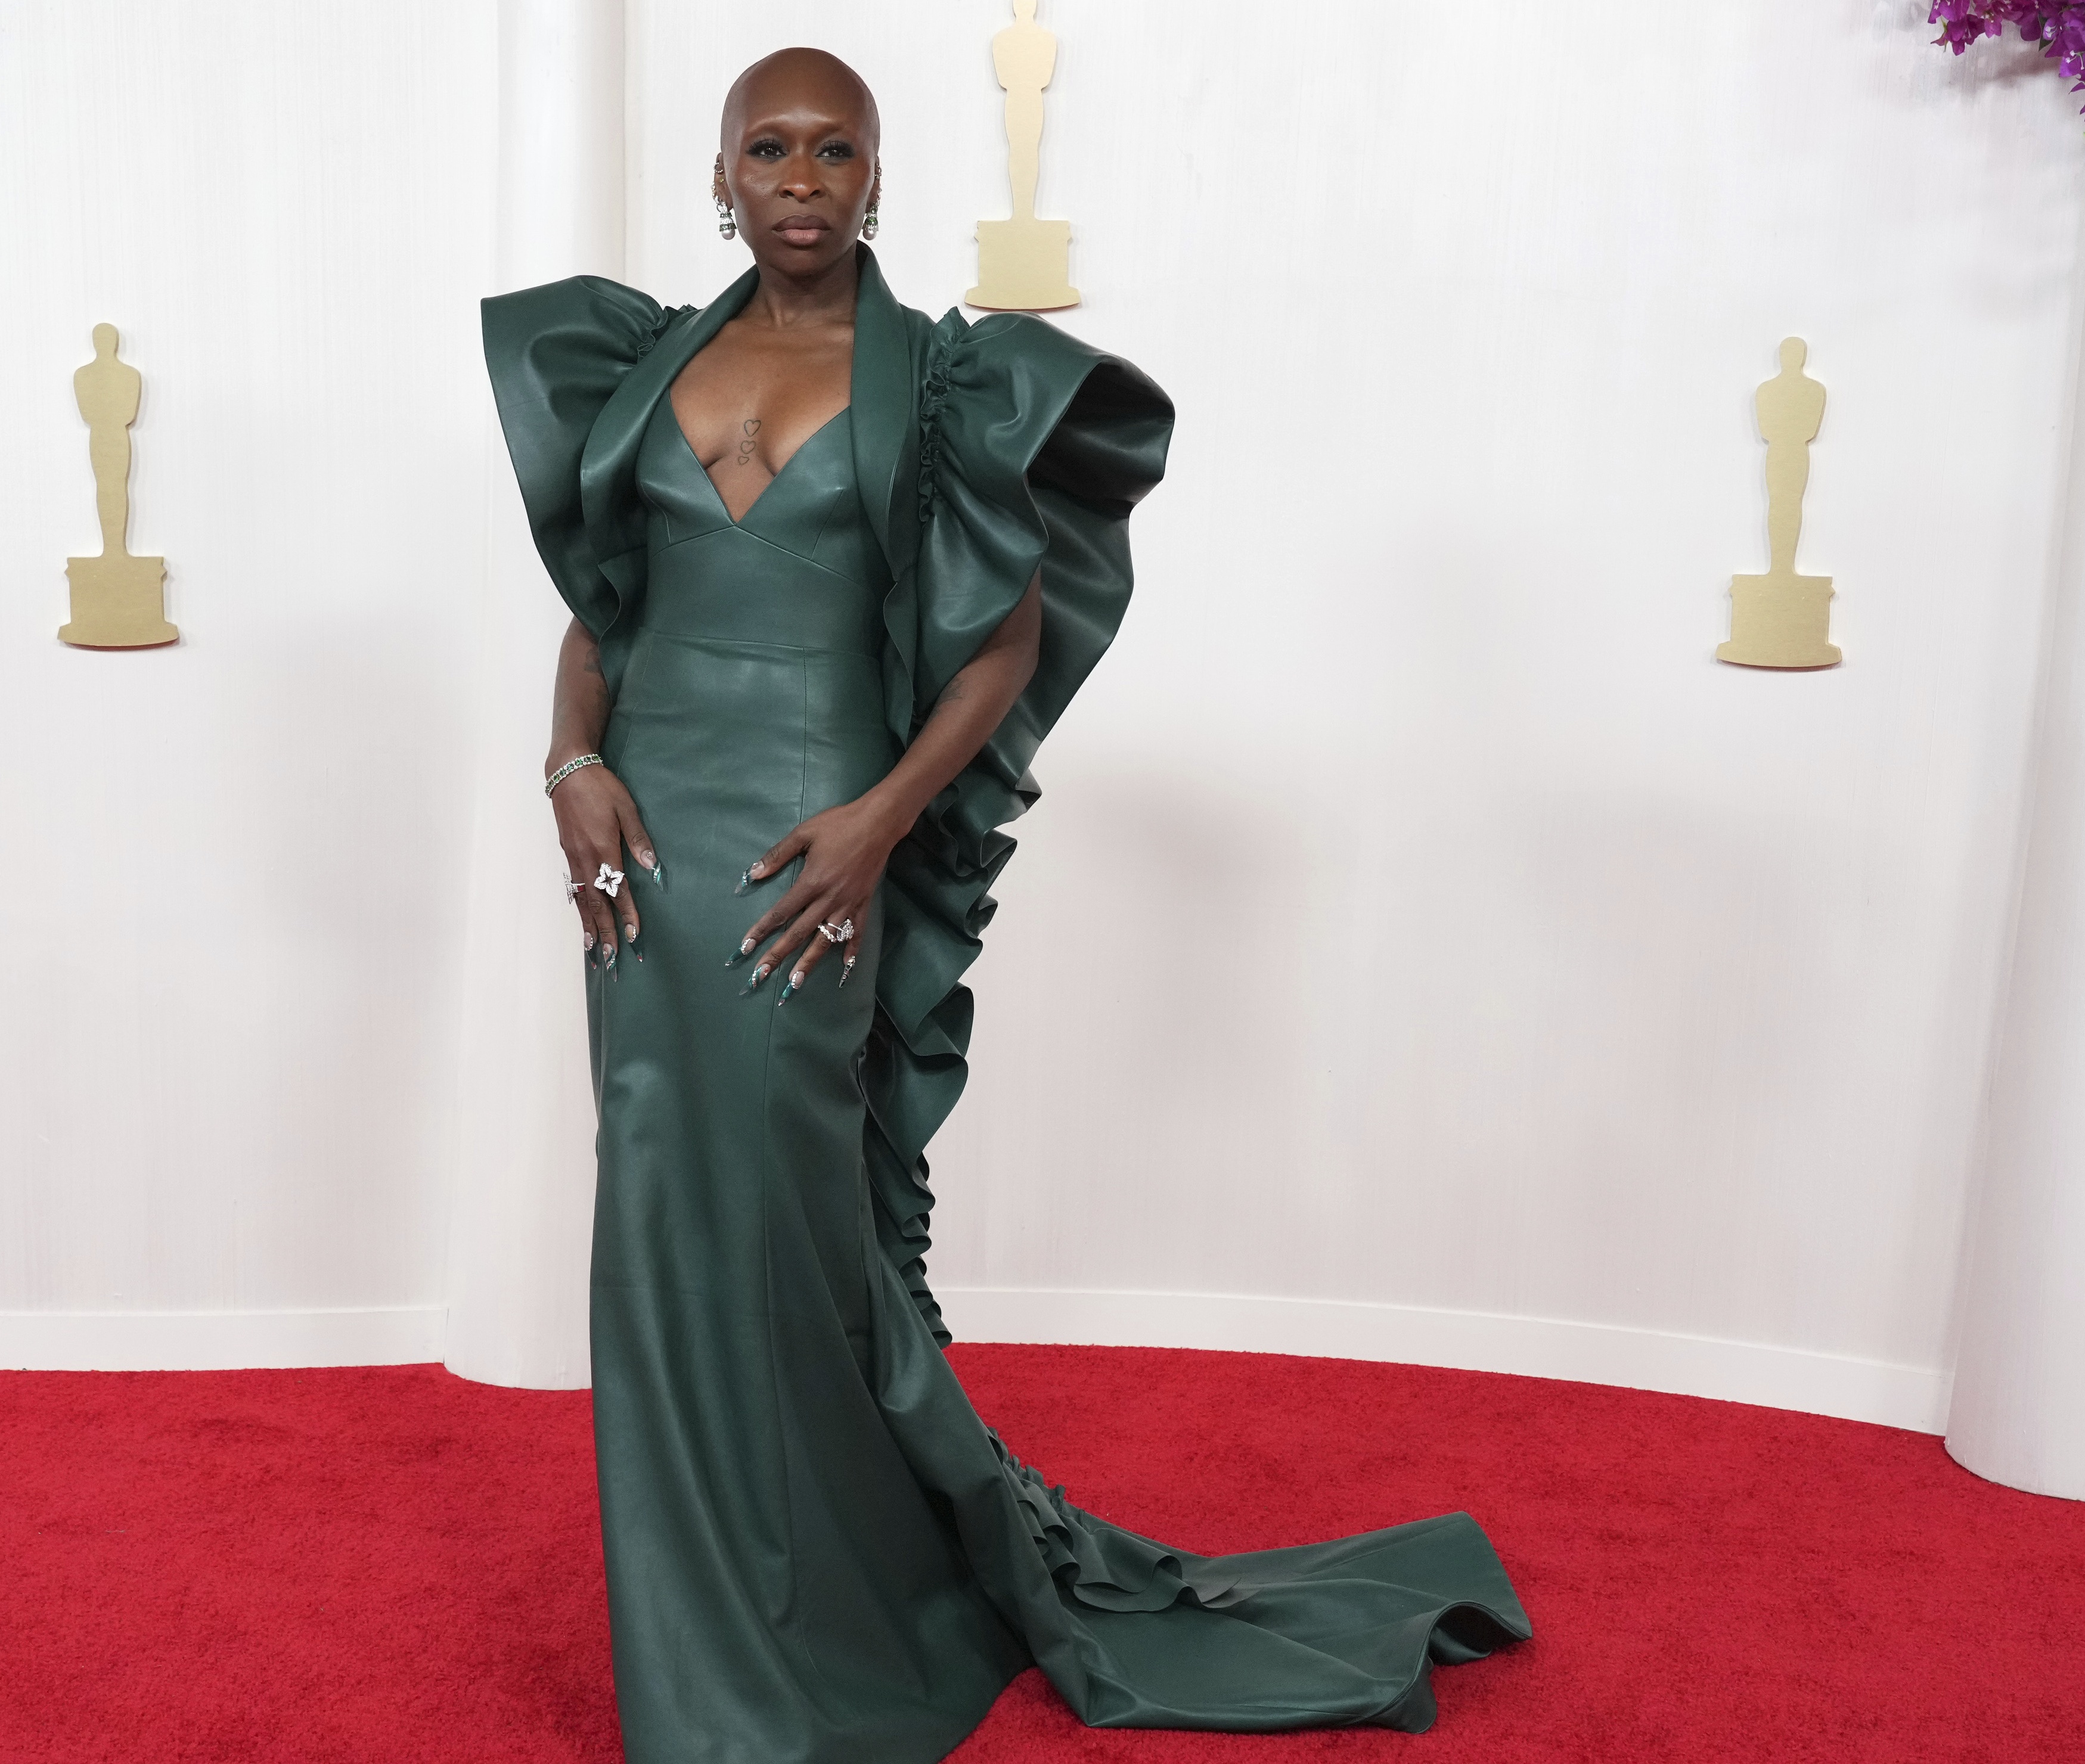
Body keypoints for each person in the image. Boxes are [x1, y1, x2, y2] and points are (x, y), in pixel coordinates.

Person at [482, 48, 1530, 1764]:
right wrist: (566, 763)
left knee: (786, 1229)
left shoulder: (939, 383)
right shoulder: (649, 360)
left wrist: (879, 829)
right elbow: (609, 604)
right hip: (647, 848)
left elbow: (1006, 644)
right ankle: (714, 1643)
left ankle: (818, 1630)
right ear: (723, 173)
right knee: (663, 1217)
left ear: (877, 179)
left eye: (838, 150)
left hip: (814, 850)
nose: (803, 177)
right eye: (771, 148)